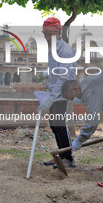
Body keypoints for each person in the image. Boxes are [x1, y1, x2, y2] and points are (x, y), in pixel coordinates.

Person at [38, 17, 77, 168]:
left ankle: (68, 157)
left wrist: (51, 98)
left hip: (63, 92)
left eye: (51, 34)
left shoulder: (65, 50)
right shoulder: (52, 48)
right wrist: (45, 75)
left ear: (59, 32)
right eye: (46, 34)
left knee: (59, 124)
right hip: (55, 91)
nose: (48, 38)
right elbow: (55, 70)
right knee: (54, 125)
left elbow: (63, 77)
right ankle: (61, 155)